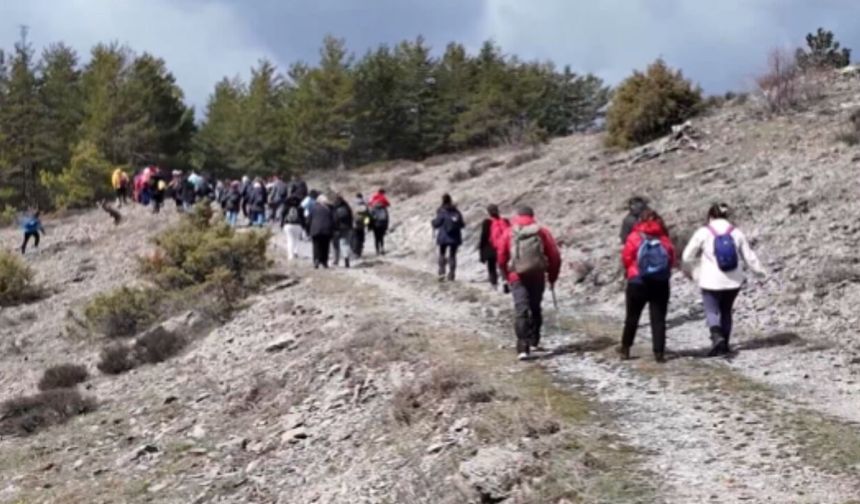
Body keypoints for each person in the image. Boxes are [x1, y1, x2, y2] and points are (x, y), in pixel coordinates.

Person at [682, 203, 766, 356]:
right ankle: (725, 345)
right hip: (733, 281)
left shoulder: (703, 232)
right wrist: (760, 273)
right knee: (726, 311)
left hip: (710, 280)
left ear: (710, 216)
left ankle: (716, 336)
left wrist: (696, 265)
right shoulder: (736, 232)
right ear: (726, 216)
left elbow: (687, 256)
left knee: (711, 310)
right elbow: (749, 257)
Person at [495, 206, 561, 361]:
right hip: (537, 275)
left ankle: (522, 348)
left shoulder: (510, 232)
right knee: (535, 307)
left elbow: (501, 256)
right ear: (532, 216)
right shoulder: (542, 232)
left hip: (516, 276)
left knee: (521, 310)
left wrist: (506, 276)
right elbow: (555, 256)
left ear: (517, 216)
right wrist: (552, 277)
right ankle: (534, 341)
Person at [620, 209, 676, 363]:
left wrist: (631, 270)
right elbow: (671, 259)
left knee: (632, 316)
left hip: (637, 281)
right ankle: (659, 353)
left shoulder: (634, 236)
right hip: (660, 282)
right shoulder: (664, 238)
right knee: (658, 319)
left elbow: (626, 257)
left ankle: (625, 348)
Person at [432, 194, 465, 281]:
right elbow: (462, 224)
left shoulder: (442, 211)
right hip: (455, 236)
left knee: (442, 253)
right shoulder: (456, 212)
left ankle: (442, 272)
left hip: (443, 236)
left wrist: (433, 222)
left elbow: (437, 224)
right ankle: (452, 274)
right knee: (452, 255)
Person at [479, 204, 509, 291]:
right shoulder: (505, 221)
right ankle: (505, 281)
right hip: (503, 247)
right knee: (503, 265)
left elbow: (483, 237)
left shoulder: (487, 222)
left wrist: (482, 251)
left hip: (491, 248)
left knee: (491, 266)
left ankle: (494, 284)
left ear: (488, 212)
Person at [309, 194, 335, 269]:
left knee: (316, 246)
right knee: (325, 246)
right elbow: (333, 220)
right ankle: (324, 262)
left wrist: (308, 229)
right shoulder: (329, 209)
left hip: (315, 229)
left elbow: (309, 219)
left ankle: (316, 260)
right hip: (326, 230)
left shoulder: (314, 208)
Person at [332, 195, 354, 268]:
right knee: (345, 244)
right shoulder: (347, 208)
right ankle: (346, 259)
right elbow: (351, 219)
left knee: (335, 245)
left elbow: (334, 220)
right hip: (347, 228)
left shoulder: (335, 209)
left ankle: (336, 260)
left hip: (337, 229)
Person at [282, 192, 305, 260]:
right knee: (296, 239)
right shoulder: (300, 208)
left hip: (288, 225)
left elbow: (283, 216)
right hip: (298, 224)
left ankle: (290, 256)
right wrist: (304, 226)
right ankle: (296, 252)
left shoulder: (286, 207)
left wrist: (282, 224)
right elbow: (302, 217)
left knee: (290, 240)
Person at [351, 193, 369, 258]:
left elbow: (351, 215)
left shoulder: (353, 205)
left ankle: (355, 251)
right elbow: (367, 216)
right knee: (361, 237)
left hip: (354, 224)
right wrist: (366, 224)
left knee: (355, 237)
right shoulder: (364, 205)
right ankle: (359, 251)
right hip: (362, 225)